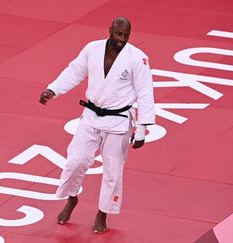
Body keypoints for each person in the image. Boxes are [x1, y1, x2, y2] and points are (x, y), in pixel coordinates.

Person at [39, 17, 155, 234]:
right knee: (75, 161)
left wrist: (141, 129)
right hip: (91, 114)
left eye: (126, 35)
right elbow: (74, 71)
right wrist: (53, 90)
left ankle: (102, 212)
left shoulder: (138, 59)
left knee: (112, 171)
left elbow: (145, 92)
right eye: (119, 34)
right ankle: (72, 199)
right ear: (110, 30)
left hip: (118, 120)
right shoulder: (92, 49)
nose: (122, 39)